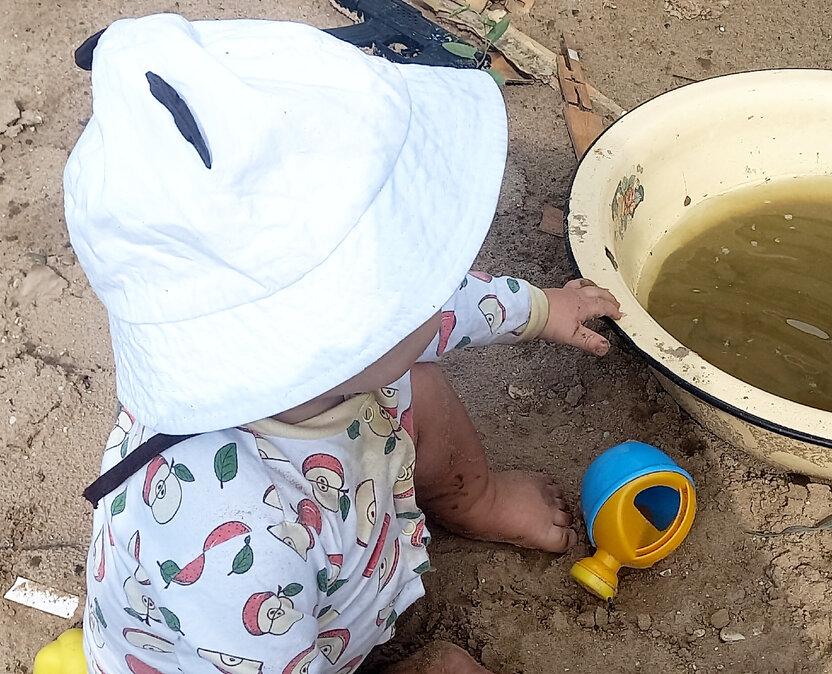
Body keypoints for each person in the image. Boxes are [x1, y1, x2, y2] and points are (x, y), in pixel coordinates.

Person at [66, 13, 621, 673]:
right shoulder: (230, 546)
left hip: (335, 570)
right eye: (409, 257)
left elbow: (430, 304)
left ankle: (479, 499)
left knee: (420, 383)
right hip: (271, 653)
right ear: (330, 332)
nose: (438, 273)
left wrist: (540, 308)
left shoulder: (342, 352)